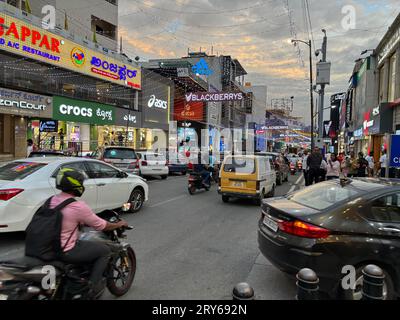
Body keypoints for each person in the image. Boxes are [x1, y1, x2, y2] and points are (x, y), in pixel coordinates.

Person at [53, 168, 128, 299]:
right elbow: (101, 225)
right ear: (75, 185)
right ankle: (91, 288)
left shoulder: (51, 200)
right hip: (65, 250)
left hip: (45, 247)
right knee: (104, 251)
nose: (82, 185)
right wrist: (119, 224)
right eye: (81, 182)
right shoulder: (78, 206)